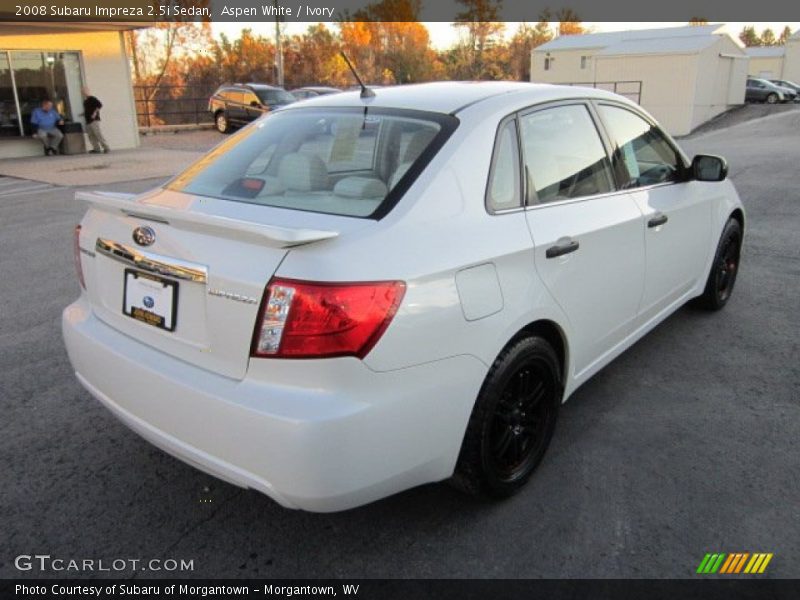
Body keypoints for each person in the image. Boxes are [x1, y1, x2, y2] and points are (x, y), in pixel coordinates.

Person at [82, 87, 109, 154]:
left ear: (88, 91)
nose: (83, 92)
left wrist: (94, 113)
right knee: (91, 135)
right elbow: (88, 110)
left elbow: (99, 105)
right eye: (82, 91)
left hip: (94, 120)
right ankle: (96, 149)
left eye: (84, 91)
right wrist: (83, 114)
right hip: (88, 121)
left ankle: (106, 147)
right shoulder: (85, 101)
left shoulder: (93, 98)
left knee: (98, 134)